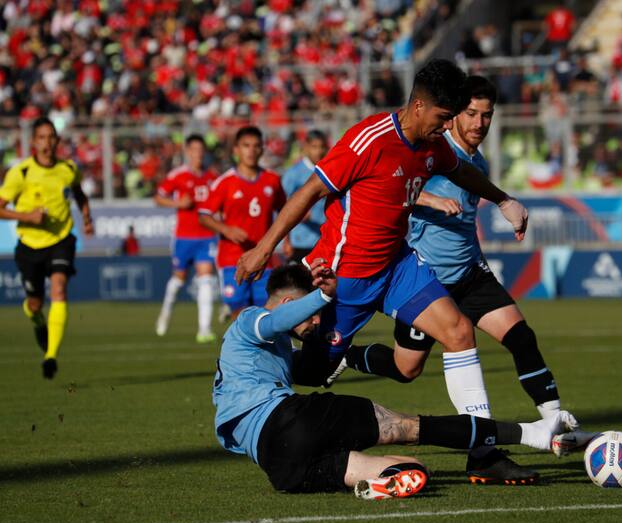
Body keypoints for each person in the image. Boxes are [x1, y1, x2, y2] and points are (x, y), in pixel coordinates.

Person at [234, 59, 536, 483]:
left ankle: (482, 453)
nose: (447, 127)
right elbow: (311, 190)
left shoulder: (433, 143)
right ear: (417, 107)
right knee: (312, 371)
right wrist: (263, 248)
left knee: (458, 332)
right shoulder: (368, 140)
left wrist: (504, 200)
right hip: (341, 279)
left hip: (397, 267)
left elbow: (461, 171)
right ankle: (255, 401)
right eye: (443, 118)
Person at [340, 76, 593, 460]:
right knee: (405, 368)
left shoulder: (476, 161)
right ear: (453, 115)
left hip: (470, 274)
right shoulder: (433, 152)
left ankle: (557, 423)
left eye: (487, 115)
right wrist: (429, 199)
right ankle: (348, 356)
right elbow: (394, 186)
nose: (479, 123)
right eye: (471, 113)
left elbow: (466, 223)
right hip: (427, 279)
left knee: (522, 337)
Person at [213, 262, 577, 498]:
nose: (314, 323)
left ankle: (378, 484)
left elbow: (309, 364)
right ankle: (530, 434)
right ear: (291, 301)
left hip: (280, 465)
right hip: (288, 419)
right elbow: (275, 322)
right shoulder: (251, 320)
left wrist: (344, 354)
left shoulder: (265, 357)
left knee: (412, 469)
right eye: (311, 314)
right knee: (411, 427)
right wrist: (324, 295)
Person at [0, 117, 94, 379]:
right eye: (42, 137)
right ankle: (39, 322)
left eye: (51, 137)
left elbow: (78, 193)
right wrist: (27, 217)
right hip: (30, 245)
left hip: (61, 239)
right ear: (33, 142)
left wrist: (86, 217)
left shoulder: (68, 168)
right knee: (34, 304)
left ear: (57, 141)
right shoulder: (21, 173)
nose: (47, 143)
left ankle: (50, 356)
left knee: (59, 288)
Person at [199, 126, 286, 320]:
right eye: (246, 146)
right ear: (236, 150)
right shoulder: (225, 182)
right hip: (233, 257)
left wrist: (287, 241)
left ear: (262, 149)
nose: (251, 150)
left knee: (266, 313)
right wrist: (226, 229)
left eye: (256, 146)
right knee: (240, 314)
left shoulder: (272, 180)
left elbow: (285, 211)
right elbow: (203, 215)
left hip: (264, 258)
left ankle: (266, 351)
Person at [153, 134, 218, 342]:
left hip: (206, 235)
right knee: (178, 280)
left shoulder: (211, 177)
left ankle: (204, 329)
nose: (198, 153)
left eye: (201, 150)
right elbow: (158, 197)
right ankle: (165, 314)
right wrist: (178, 204)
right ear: (187, 152)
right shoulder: (178, 175)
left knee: (206, 279)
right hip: (184, 237)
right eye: (194, 150)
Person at [280, 130, 328, 264]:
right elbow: (282, 207)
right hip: (298, 241)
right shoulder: (294, 173)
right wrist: (286, 241)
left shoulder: (328, 171)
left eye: (322, 147)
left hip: (322, 240)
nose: (319, 151)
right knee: (297, 283)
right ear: (306, 147)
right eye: (314, 147)